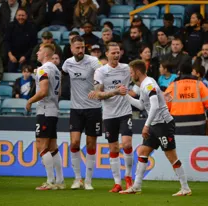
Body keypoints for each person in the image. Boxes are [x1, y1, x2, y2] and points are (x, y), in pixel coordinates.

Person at [118, 60, 192, 196]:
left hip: (163, 124)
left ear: (138, 72)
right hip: (155, 124)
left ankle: (185, 188)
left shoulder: (149, 85)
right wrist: (126, 96)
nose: (130, 75)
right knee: (143, 152)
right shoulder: (143, 85)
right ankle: (136, 186)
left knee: (171, 156)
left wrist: (146, 126)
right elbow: (141, 105)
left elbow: (155, 106)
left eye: (131, 72)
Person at [88, 42, 133, 193]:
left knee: (126, 144)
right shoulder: (101, 72)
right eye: (113, 53)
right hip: (109, 114)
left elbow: (140, 80)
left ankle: (128, 177)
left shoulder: (126, 69)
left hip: (125, 112)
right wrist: (115, 92)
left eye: (118, 52)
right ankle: (117, 183)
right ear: (106, 54)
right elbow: (98, 94)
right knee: (113, 147)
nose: (116, 55)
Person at [62, 36, 102, 190]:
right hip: (76, 109)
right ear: (71, 48)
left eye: (82, 48)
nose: (80, 50)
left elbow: (101, 71)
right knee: (74, 143)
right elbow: (62, 75)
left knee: (91, 144)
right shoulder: (67, 63)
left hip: (93, 108)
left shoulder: (92, 61)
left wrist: (97, 89)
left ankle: (88, 181)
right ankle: (77, 179)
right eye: (77, 48)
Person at [26, 43, 64, 190]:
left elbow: (43, 91)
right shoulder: (55, 69)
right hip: (53, 110)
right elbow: (59, 92)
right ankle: (59, 181)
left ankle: (50, 181)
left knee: (41, 146)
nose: (37, 53)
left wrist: (30, 101)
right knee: (53, 147)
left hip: (45, 111)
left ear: (46, 55)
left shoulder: (43, 69)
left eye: (39, 51)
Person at [165, 62, 208, 135]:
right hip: (198, 125)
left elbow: (165, 107)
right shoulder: (200, 85)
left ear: (180, 72)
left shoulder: (172, 86)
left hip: (178, 125)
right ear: (191, 71)